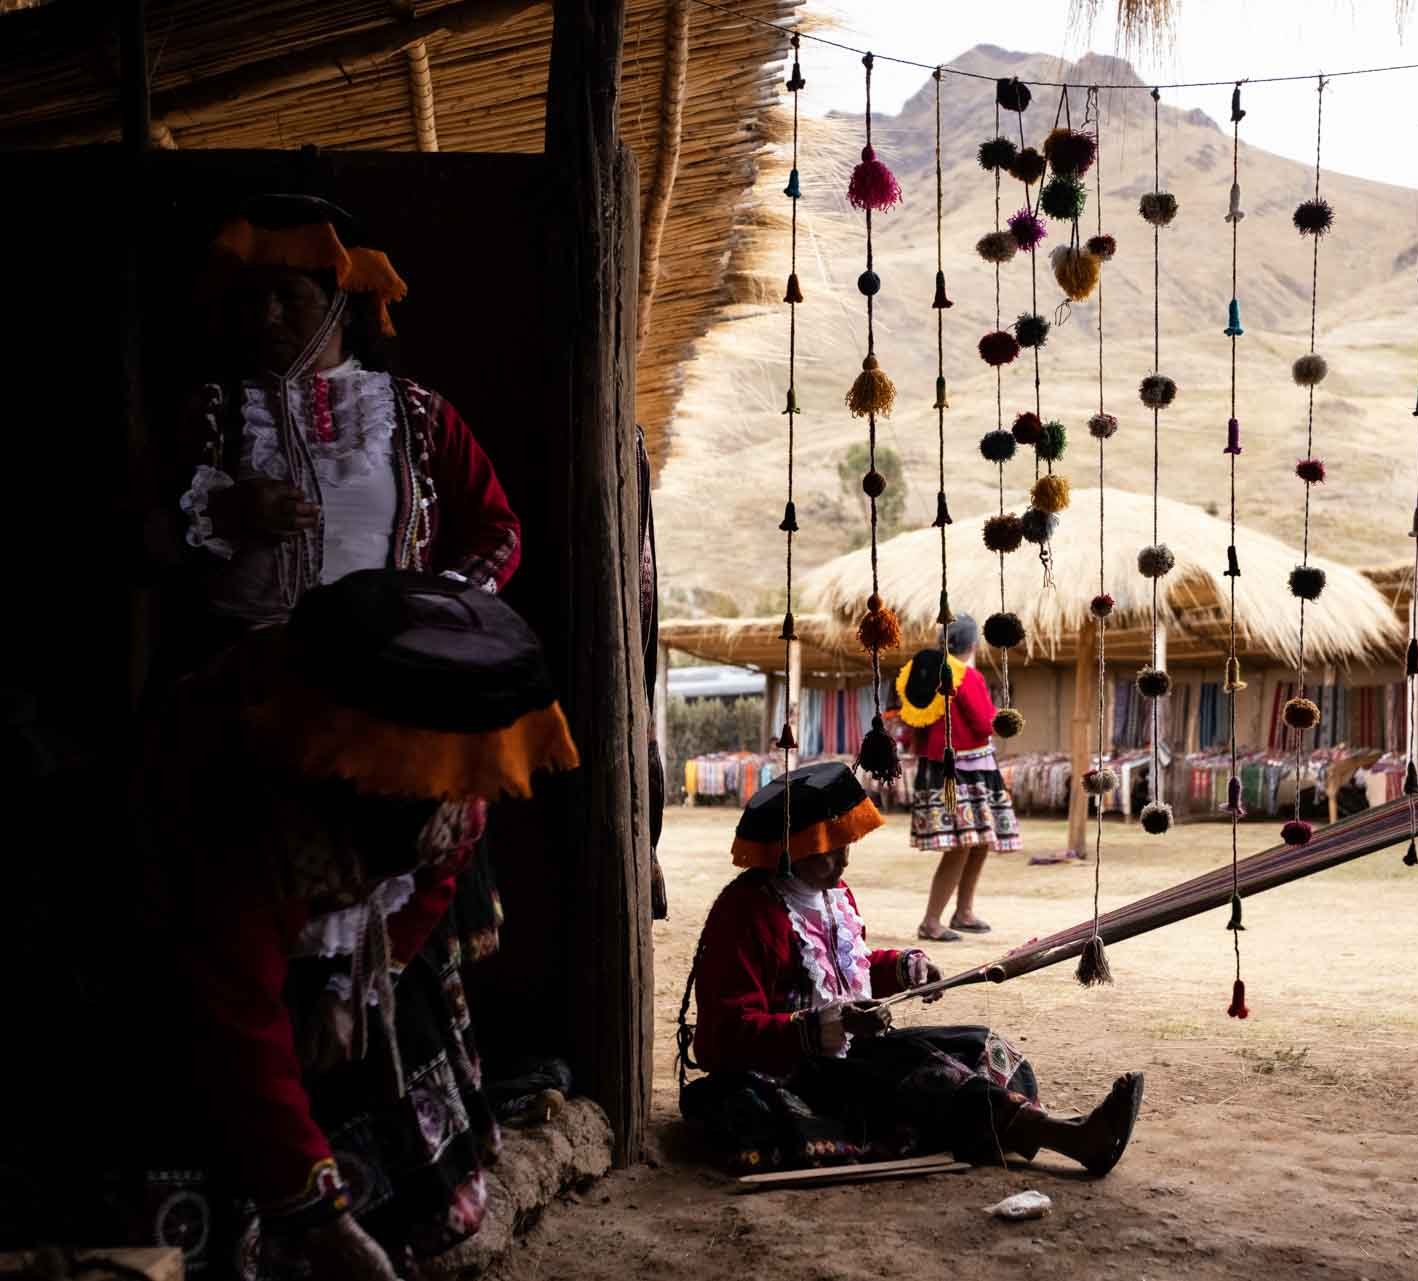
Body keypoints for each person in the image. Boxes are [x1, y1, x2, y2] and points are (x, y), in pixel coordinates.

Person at [129, 571, 580, 1280]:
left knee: (379, 1050)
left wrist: (359, 986)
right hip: (189, 940)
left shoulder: (458, 766)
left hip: (341, 949)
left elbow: (438, 875)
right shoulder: (240, 796)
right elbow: (238, 1011)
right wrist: (320, 1220)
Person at [677, 762, 1143, 1177]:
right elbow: (723, 1040)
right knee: (930, 1075)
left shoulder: (832, 895)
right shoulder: (745, 914)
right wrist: (825, 1027)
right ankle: (1070, 1137)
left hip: (848, 1051)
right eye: (827, 850)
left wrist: (902, 968)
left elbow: (847, 970)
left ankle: (1017, 1126)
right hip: (791, 1071)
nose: (842, 860)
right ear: (789, 851)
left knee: (981, 1046)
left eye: (845, 847)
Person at [165, 192, 520, 674]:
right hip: (241, 668)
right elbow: (136, 538)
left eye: (290, 298)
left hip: (384, 663)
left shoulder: (417, 413)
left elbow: (498, 531)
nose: (268, 317)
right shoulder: (211, 410)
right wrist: (224, 514)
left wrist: (438, 604)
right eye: (256, 300)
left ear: (343, 308)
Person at [897, 614, 1021, 942]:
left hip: (940, 767)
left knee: (977, 840)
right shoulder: (966, 676)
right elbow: (983, 723)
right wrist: (1003, 718)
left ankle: (963, 911)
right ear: (973, 644)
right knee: (962, 845)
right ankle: (931, 921)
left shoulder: (922, 672)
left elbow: (913, 725)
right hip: (967, 771)